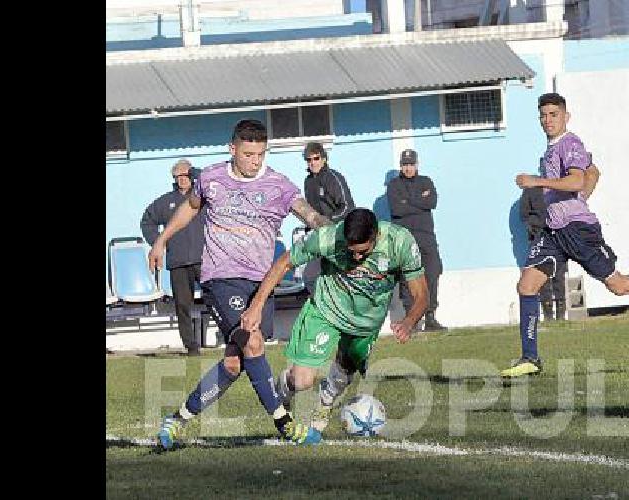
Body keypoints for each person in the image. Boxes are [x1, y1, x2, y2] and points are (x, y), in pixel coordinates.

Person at [147, 119, 333, 450]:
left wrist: (324, 225)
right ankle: (284, 423)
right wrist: (161, 241)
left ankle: (176, 421)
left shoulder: (278, 184)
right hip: (221, 279)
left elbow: (306, 213)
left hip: (261, 284)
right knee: (253, 343)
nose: (255, 161)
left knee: (234, 364)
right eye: (248, 154)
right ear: (232, 149)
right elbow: (189, 209)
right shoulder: (211, 179)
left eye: (260, 154)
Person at [502, 92, 629, 378]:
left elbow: (579, 178)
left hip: (578, 231)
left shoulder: (570, 143)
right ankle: (530, 358)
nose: (547, 120)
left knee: (618, 286)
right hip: (554, 232)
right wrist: (579, 198)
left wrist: (537, 182)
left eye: (553, 114)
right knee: (527, 286)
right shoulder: (552, 148)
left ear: (566, 116)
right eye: (543, 115)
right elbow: (593, 172)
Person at [241, 208, 428, 442]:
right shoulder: (328, 238)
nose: (356, 258)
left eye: (362, 252)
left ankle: (325, 405)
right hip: (326, 310)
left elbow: (421, 294)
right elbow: (284, 263)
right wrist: (257, 305)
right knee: (302, 381)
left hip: (365, 323)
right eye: (351, 252)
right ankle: (284, 387)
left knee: (342, 374)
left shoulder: (400, 242)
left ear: (376, 236)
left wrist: (409, 321)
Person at [140, 159, 206, 356]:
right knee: (183, 306)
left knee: (216, 299)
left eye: (186, 175)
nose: (182, 180)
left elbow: (207, 178)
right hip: (178, 262)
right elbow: (147, 222)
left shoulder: (203, 197)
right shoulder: (165, 202)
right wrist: (159, 243)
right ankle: (191, 347)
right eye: (178, 177)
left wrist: (195, 173)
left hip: (205, 259)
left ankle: (229, 339)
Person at [386, 149, 446, 331]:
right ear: (400, 166)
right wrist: (419, 200)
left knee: (433, 273)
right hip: (405, 239)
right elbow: (397, 209)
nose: (408, 168)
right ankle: (410, 321)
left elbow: (432, 203)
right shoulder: (394, 185)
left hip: (426, 237)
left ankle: (430, 317)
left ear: (417, 164)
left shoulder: (426, 181)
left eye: (411, 164)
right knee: (406, 278)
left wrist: (408, 202)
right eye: (405, 164)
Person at [300, 141, 357, 299]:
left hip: (338, 234)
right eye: (308, 160)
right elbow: (311, 211)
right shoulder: (308, 181)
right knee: (310, 277)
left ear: (324, 159)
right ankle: (325, 308)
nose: (312, 163)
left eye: (316, 158)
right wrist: (308, 225)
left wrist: (327, 220)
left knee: (341, 278)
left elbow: (348, 207)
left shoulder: (333, 178)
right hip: (319, 236)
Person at [520, 186, 566, 320]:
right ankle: (550, 315)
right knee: (546, 274)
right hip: (542, 236)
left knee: (557, 273)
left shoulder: (560, 186)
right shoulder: (532, 189)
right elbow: (524, 214)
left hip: (556, 235)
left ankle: (558, 315)